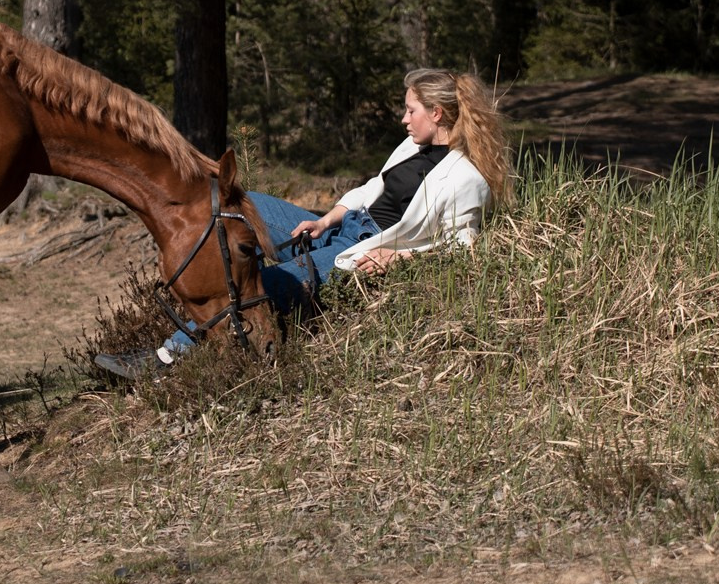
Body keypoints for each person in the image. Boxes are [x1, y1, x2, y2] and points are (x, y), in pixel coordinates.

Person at [95, 69, 511, 379]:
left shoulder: (466, 179)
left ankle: (167, 356)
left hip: (364, 250)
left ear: (436, 113)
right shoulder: (411, 145)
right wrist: (328, 217)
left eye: (411, 110)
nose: (404, 119)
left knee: (273, 284)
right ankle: (206, 283)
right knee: (245, 206)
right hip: (343, 226)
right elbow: (373, 188)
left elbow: (464, 246)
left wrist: (396, 258)